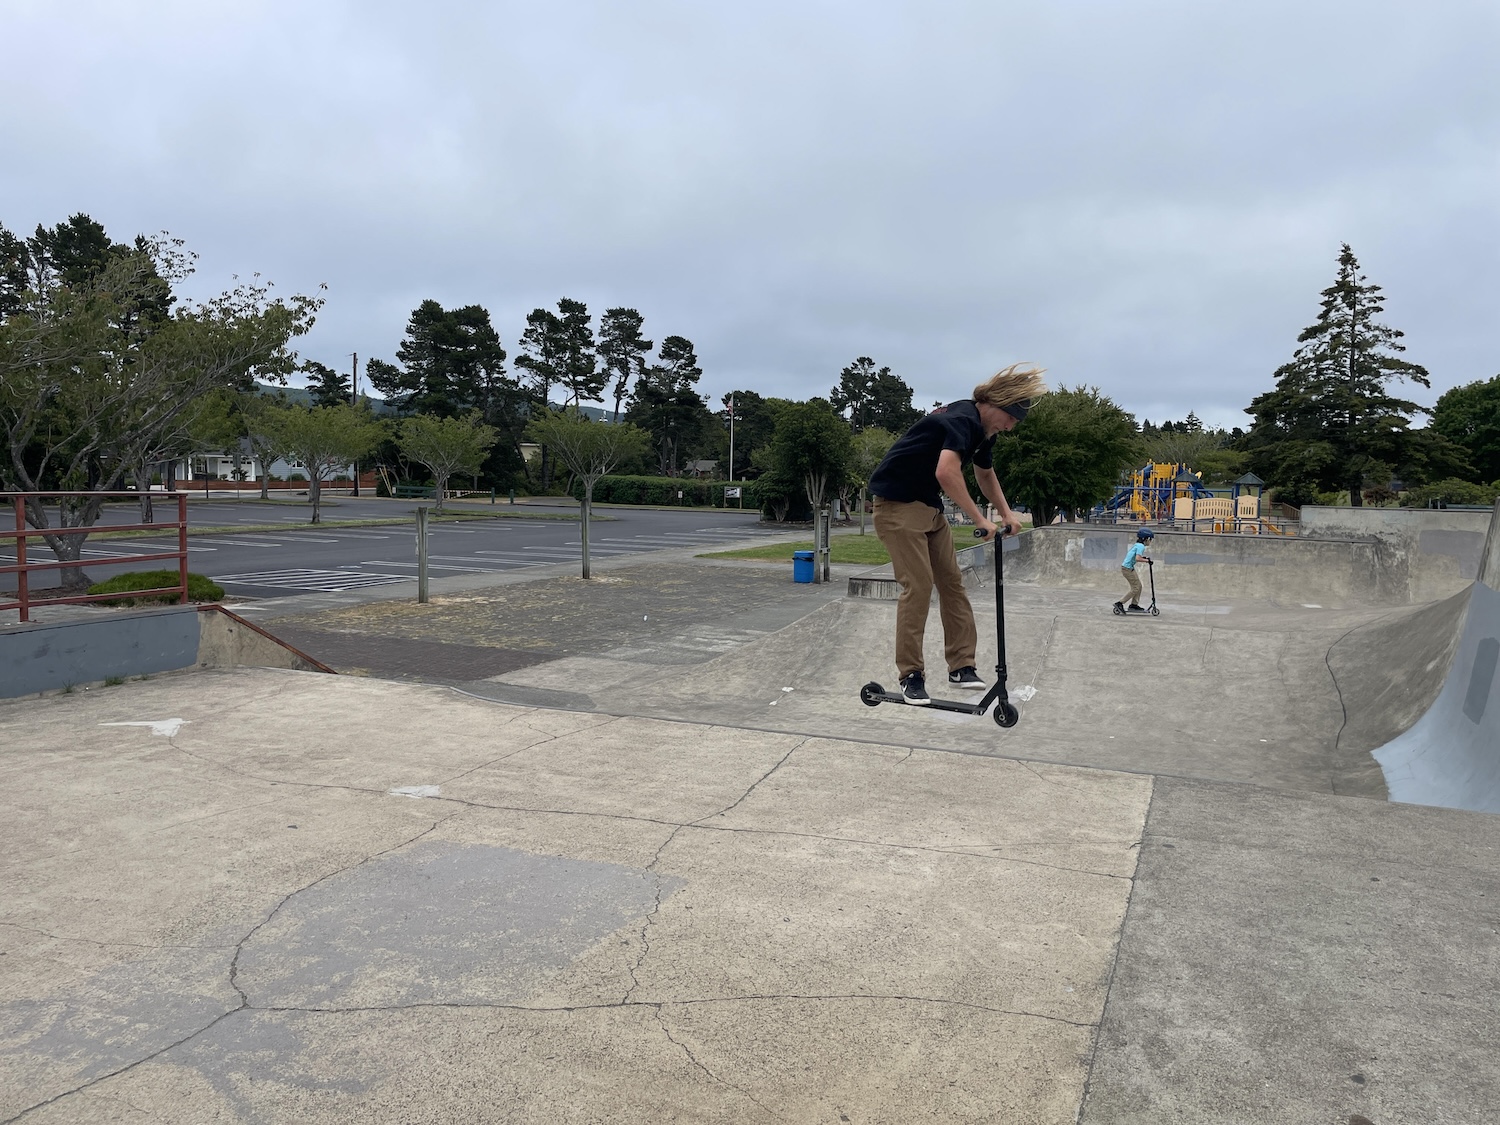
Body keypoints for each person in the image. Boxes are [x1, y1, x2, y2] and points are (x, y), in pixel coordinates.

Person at [867, 363, 1047, 704]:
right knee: (918, 586)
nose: (1010, 428)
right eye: (1010, 419)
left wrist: (1007, 513)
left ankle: (961, 667)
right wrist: (980, 518)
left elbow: (985, 473)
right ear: (996, 406)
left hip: (929, 510)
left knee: (952, 583)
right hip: (897, 506)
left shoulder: (981, 430)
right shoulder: (963, 420)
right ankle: (911, 675)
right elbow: (947, 472)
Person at [1116, 527, 1154, 612]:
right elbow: (1137, 558)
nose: (1150, 541)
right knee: (1135, 588)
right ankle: (1119, 603)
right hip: (1127, 569)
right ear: (1146, 539)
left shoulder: (1138, 545)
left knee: (1139, 586)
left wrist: (1145, 558)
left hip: (1129, 568)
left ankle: (1134, 605)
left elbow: (1135, 556)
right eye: (1150, 539)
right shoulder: (1141, 546)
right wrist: (1147, 561)